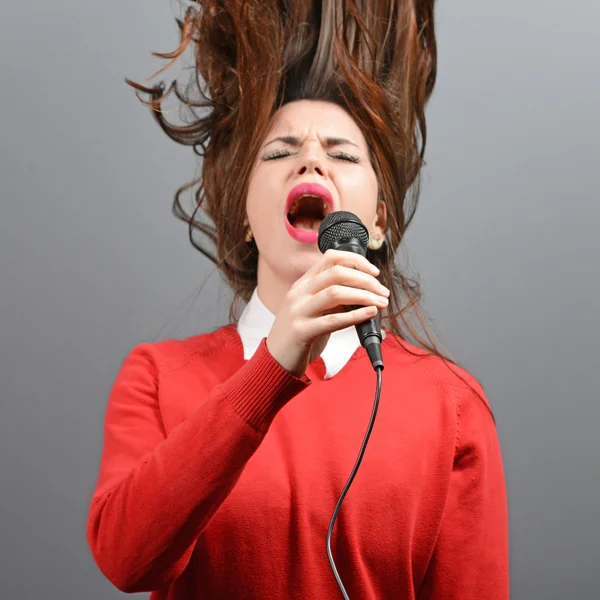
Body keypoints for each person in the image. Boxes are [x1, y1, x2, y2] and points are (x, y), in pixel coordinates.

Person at [86, 1, 509, 598]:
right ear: (244, 217)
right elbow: (126, 560)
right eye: (279, 152)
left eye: (342, 154)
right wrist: (275, 363)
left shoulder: (454, 407)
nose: (311, 158)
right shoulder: (156, 378)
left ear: (379, 221)